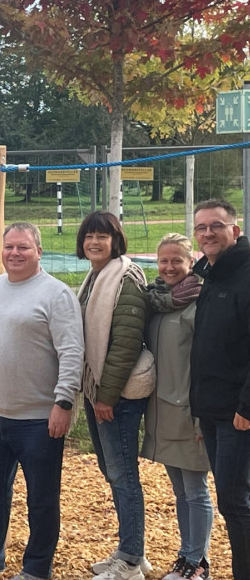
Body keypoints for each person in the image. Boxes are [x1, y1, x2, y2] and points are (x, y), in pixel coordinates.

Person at [0, 222, 84, 579]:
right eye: (9, 247)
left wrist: (64, 402)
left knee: (41, 499)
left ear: (39, 251)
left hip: (39, 418)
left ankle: (38, 567)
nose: (14, 253)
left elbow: (72, 352)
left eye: (23, 247)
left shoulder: (56, 294)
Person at [76, 211, 151, 580]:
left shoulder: (125, 279)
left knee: (123, 474)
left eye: (102, 236)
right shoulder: (97, 277)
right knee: (113, 470)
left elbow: (124, 343)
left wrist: (106, 396)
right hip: (99, 388)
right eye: (89, 235)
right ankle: (133, 548)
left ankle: (132, 559)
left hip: (117, 392)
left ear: (115, 240)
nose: (94, 241)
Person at [142, 233, 212, 580]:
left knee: (196, 490)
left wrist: (202, 416)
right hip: (164, 409)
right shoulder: (159, 300)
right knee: (181, 491)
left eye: (177, 261)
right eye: (164, 261)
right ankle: (188, 555)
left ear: (191, 262)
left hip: (189, 409)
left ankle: (198, 562)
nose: (169, 267)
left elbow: (205, 364)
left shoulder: (199, 304)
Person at [189, 199, 250, 580]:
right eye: (202, 227)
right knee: (233, 496)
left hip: (238, 410)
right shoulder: (211, 276)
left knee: (233, 498)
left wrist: (246, 406)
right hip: (212, 408)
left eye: (216, 226)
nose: (208, 233)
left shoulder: (244, 275)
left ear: (235, 230)